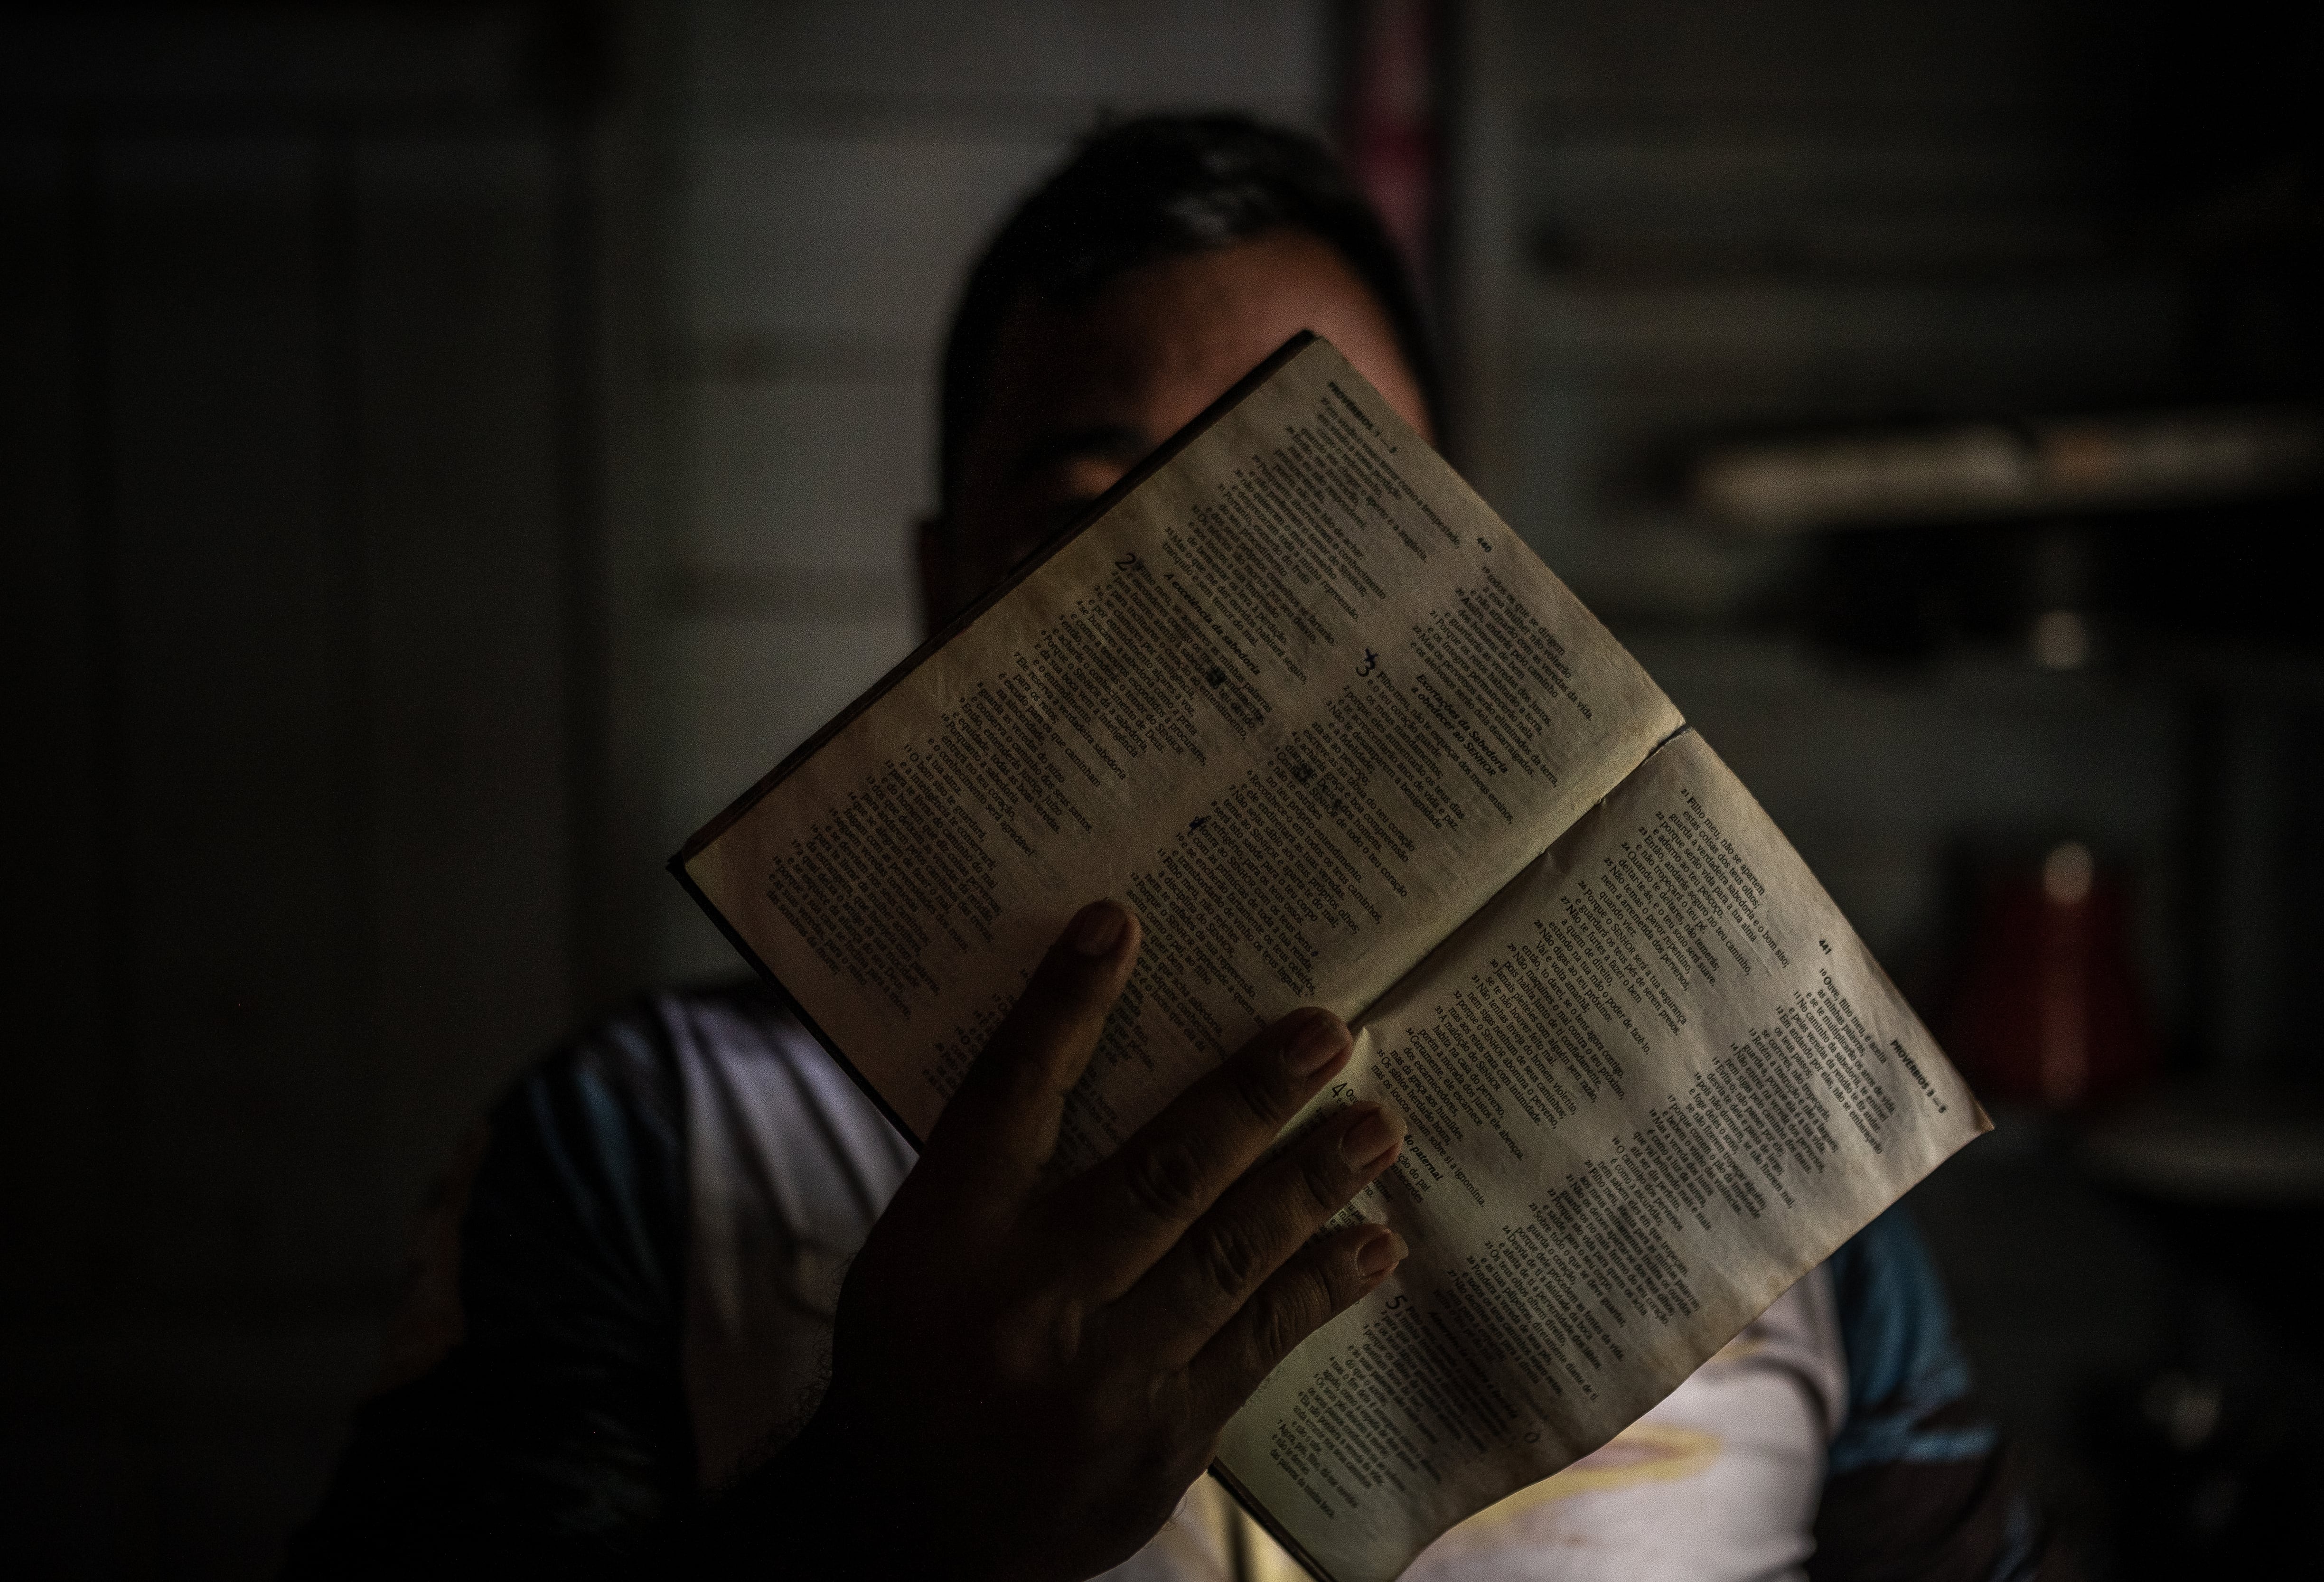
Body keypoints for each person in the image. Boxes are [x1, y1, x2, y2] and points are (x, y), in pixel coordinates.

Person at [289, 115, 2069, 1581]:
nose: (1220, 622)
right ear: (936, 593)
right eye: (1093, 518)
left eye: (1327, 503)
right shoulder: (646, 1142)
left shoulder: (1765, 1158)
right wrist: (873, 1530)